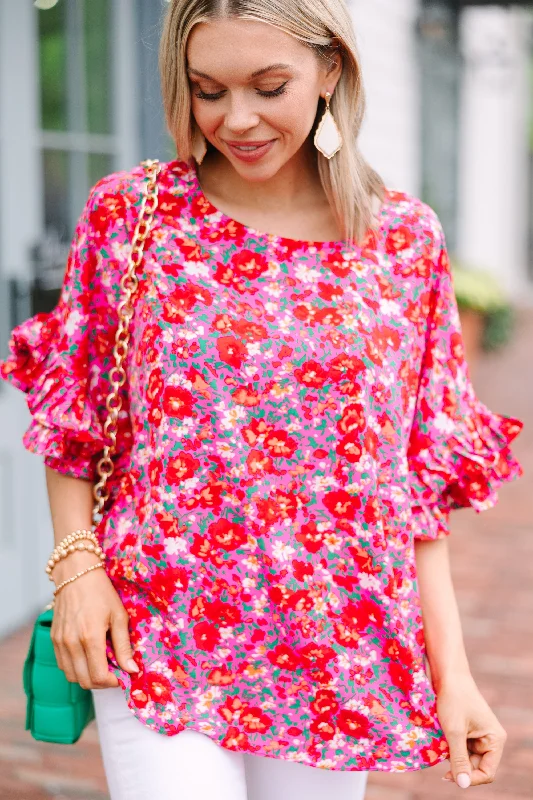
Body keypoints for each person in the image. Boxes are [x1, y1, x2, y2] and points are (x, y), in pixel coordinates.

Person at [0, 1, 523, 798]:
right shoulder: (134, 214)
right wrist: (77, 572)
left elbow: (412, 489)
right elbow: (76, 409)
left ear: (330, 71)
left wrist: (454, 677)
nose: (235, 118)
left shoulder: (404, 240)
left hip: (336, 650)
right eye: (208, 90)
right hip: (159, 627)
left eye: (267, 86)